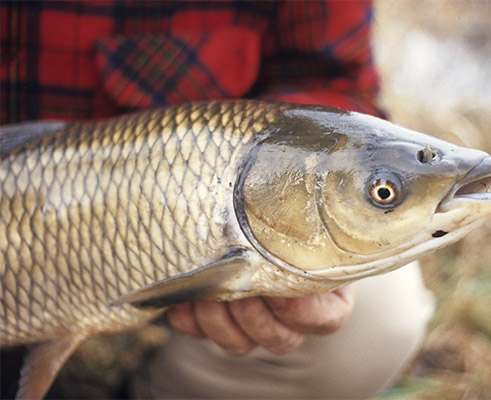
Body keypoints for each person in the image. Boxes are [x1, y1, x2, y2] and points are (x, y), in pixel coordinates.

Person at [0, 1, 434, 398]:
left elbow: (331, 83)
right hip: (28, 207)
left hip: (193, 214)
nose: (384, 194)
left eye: (383, 193)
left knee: (379, 318)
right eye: (384, 192)